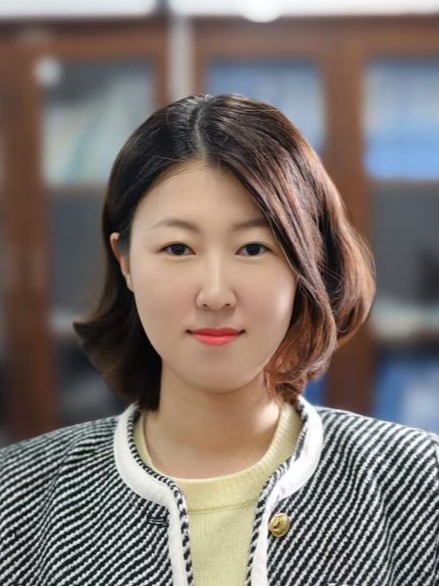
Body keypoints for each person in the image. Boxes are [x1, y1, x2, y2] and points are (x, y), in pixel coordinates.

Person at [0, 94, 438, 586]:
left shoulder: (421, 485)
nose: (214, 294)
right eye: (177, 248)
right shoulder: (16, 497)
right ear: (126, 262)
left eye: (253, 248)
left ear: (305, 262)